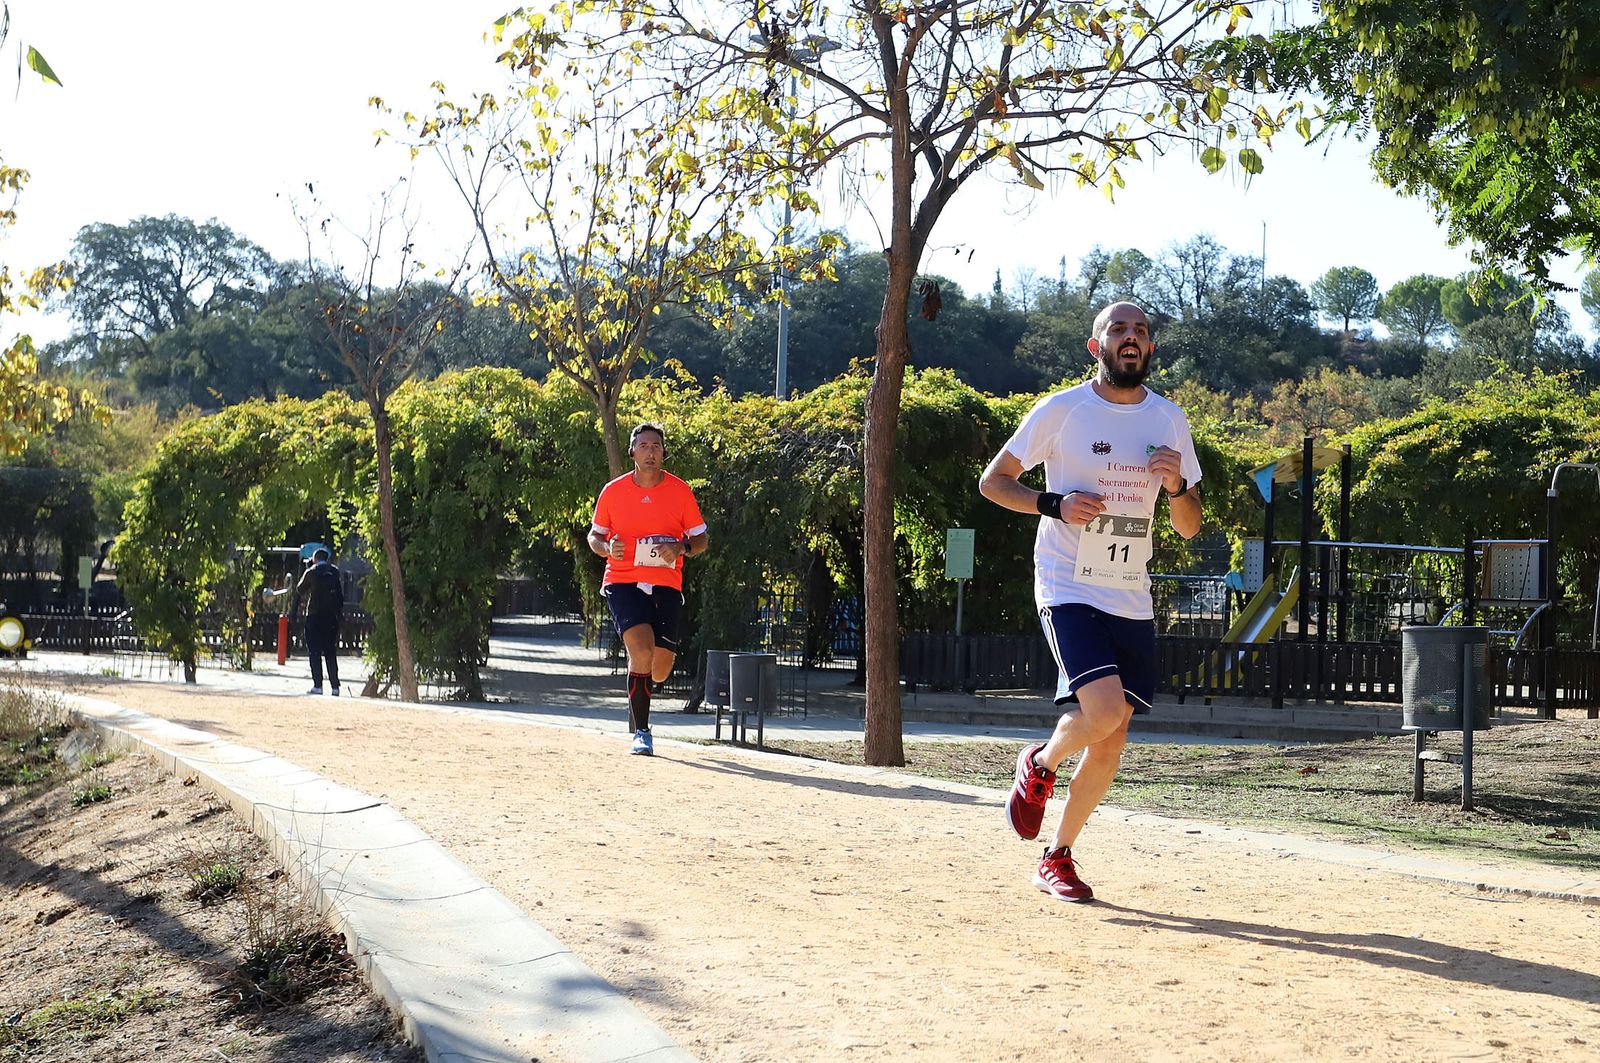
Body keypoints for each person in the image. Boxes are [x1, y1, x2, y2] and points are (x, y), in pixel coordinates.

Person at [978, 302, 1202, 902]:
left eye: (1141, 331)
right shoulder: (1061, 410)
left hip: (1130, 592)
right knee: (1102, 711)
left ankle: (1058, 856)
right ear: (1094, 345)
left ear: (1151, 349)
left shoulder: (1170, 419)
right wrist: (1052, 504)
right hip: (1067, 581)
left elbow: (1187, 525)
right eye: (1119, 329)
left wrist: (1177, 485)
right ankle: (1041, 762)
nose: (1131, 338)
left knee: (1112, 737)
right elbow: (993, 482)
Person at [587, 422, 709, 756]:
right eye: (643, 446)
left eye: (656, 446)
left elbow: (701, 540)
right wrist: (608, 548)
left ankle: (639, 673)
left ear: (663, 452)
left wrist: (681, 548)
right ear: (632, 452)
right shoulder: (613, 491)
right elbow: (594, 537)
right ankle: (642, 732)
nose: (650, 452)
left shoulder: (680, 491)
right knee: (641, 651)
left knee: (660, 668)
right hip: (623, 580)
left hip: (667, 583)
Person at [291, 547, 345, 697]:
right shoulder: (334, 572)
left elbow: (299, 590)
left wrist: (307, 569)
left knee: (314, 651)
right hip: (331, 618)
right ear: (327, 559)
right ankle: (335, 686)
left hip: (314, 617)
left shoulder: (311, 572)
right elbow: (340, 597)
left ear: (315, 559)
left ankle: (318, 685)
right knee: (330, 651)